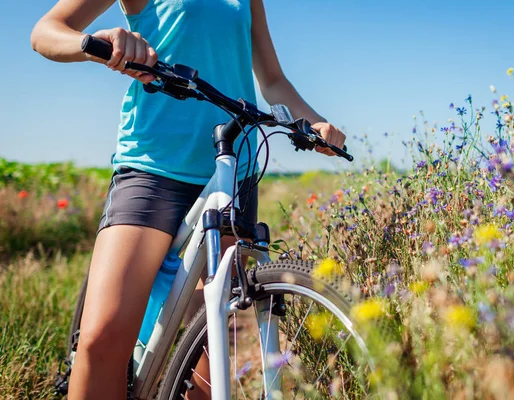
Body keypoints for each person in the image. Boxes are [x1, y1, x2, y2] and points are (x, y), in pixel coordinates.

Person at [31, 0, 346, 399]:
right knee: (103, 339)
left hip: (233, 167)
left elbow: (272, 79)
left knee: (210, 342)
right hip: (153, 165)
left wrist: (313, 123)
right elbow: (46, 31)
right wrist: (98, 42)